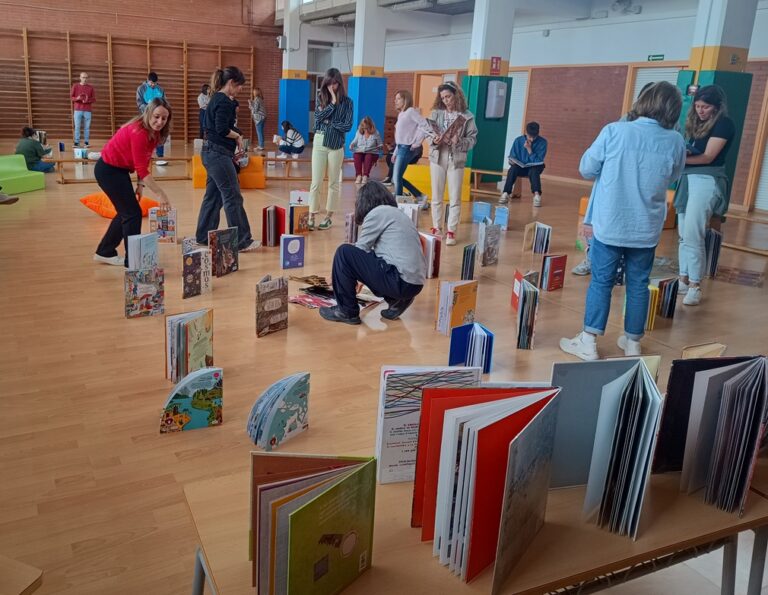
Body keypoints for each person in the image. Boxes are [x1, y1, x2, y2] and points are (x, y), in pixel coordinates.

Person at [559, 81, 686, 360]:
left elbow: (586, 168)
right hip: (646, 226)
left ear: (643, 101)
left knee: (601, 282)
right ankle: (633, 343)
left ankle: (589, 342)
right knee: (639, 283)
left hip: (611, 223)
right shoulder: (676, 140)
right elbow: (674, 176)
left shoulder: (615, 130)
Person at [319, 181, 425, 325]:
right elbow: (372, 256)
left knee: (344, 252)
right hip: (415, 284)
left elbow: (359, 250)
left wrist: (338, 276)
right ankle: (396, 301)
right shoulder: (398, 214)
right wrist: (360, 277)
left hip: (400, 280)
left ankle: (346, 311)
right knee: (371, 256)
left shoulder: (377, 213)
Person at [92, 98, 172, 266]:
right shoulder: (139, 132)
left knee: (127, 212)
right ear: (148, 114)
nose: (160, 122)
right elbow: (141, 169)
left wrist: (140, 185)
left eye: (164, 118)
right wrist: (161, 194)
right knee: (132, 213)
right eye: (156, 117)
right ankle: (133, 261)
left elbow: (145, 159)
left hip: (119, 171)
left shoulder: (154, 133)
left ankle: (105, 251)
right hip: (108, 170)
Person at [674, 85, 735, 307]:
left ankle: (695, 285)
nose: (700, 110)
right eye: (698, 106)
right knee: (683, 233)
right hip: (687, 178)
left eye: (706, 107)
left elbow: (708, 157)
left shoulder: (724, 124)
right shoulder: (695, 122)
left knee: (694, 233)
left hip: (706, 179)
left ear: (716, 107)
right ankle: (683, 279)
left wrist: (678, 159)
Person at [194, 66, 260, 253]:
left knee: (213, 197)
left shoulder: (215, 98)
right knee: (232, 196)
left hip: (210, 152)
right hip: (218, 155)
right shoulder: (224, 101)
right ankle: (242, 241)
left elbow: (216, 127)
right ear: (231, 83)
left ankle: (203, 236)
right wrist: (237, 136)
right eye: (239, 86)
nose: (241, 89)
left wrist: (237, 133)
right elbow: (222, 129)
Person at [427, 81, 478, 246]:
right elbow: (428, 133)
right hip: (437, 157)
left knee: (455, 197)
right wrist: (434, 140)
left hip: (456, 159)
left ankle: (451, 230)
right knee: (436, 196)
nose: (445, 101)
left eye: (448, 96)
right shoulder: (436, 113)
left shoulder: (467, 116)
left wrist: (459, 141)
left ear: (456, 95)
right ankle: (437, 228)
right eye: (442, 98)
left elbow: (472, 139)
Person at [309, 67, 353, 230]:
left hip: (336, 145)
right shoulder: (321, 98)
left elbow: (348, 126)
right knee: (316, 181)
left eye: (335, 84)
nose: (332, 87)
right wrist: (333, 103)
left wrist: (330, 123)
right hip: (319, 141)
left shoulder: (348, 102)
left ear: (339, 83)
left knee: (333, 183)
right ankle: (311, 215)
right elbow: (318, 118)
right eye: (329, 83)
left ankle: (328, 217)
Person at [391, 89, 429, 209]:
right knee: (397, 177)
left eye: (398, 99)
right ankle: (420, 195)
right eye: (395, 99)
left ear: (405, 99)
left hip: (407, 148)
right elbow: (400, 136)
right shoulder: (401, 114)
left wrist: (417, 142)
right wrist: (395, 152)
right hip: (400, 147)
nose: (395, 101)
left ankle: (397, 204)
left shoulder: (411, 111)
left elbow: (425, 125)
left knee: (396, 177)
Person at [499, 122, 547, 207]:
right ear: (526, 133)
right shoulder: (518, 141)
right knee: (512, 169)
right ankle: (506, 193)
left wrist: (529, 149)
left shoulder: (543, 142)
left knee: (534, 170)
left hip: (535, 168)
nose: (532, 139)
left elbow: (538, 161)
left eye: (534, 137)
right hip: (521, 167)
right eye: (530, 137)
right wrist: (511, 161)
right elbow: (512, 156)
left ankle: (537, 195)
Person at [136, 72, 167, 158]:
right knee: (146, 135)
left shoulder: (160, 89)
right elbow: (139, 103)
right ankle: (146, 155)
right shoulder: (141, 89)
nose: (153, 85)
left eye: (155, 83)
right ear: (147, 80)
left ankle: (160, 155)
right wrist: (150, 110)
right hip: (146, 115)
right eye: (151, 83)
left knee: (159, 134)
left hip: (158, 116)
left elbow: (165, 102)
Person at [350, 116, 382, 184]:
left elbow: (380, 144)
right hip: (360, 151)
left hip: (372, 153)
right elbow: (355, 141)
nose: (365, 129)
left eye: (367, 127)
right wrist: (351, 144)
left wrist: (380, 147)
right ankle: (358, 175)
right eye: (364, 127)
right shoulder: (358, 132)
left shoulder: (376, 132)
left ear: (370, 126)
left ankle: (365, 176)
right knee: (356, 155)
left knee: (368, 156)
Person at [71, 72, 95, 148]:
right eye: (83, 77)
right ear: (80, 78)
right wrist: (77, 98)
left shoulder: (91, 88)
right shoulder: (75, 86)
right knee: (77, 127)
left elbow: (94, 99)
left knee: (87, 127)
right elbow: (71, 97)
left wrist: (87, 100)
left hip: (87, 110)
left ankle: (86, 142)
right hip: (77, 110)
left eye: (86, 77)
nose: (85, 79)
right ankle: (76, 143)